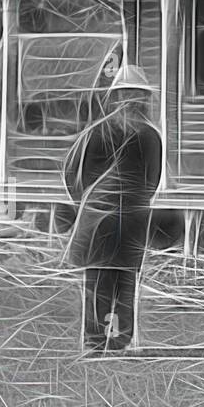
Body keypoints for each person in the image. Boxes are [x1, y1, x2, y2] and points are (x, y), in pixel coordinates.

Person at [62, 64, 162, 353]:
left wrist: (88, 204)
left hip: (99, 220)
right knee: (124, 283)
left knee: (98, 284)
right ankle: (119, 340)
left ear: (115, 98)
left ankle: (97, 342)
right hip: (132, 219)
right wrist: (131, 201)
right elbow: (151, 182)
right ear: (143, 99)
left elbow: (74, 175)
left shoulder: (97, 132)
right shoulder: (150, 136)